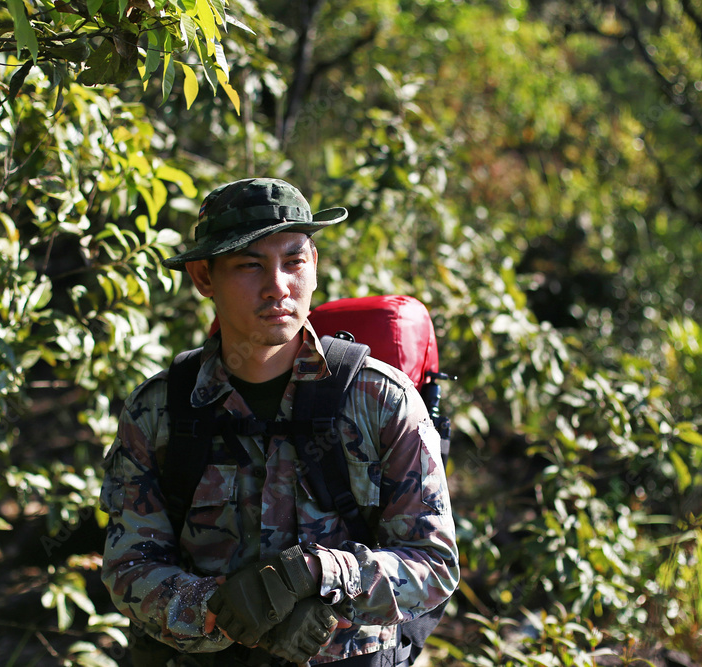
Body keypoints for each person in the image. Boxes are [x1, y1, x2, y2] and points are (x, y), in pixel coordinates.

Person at [99, 177, 459, 667]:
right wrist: (227, 614)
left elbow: (434, 564)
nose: (278, 287)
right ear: (204, 278)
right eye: (250, 266)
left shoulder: (380, 399)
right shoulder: (160, 411)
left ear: (314, 266)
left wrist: (317, 575)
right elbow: (129, 568)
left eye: (293, 262)